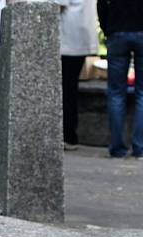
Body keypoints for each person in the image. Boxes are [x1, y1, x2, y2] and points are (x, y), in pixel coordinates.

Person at [98, 0, 143, 159]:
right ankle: (140, 148)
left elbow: (102, 5)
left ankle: (117, 148)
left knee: (116, 92)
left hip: (117, 31)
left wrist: (107, 28)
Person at [56, 0, 98, 151]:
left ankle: (67, 135)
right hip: (81, 38)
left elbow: (57, 6)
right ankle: (69, 134)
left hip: (68, 41)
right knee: (70, 88)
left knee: (65, 90)